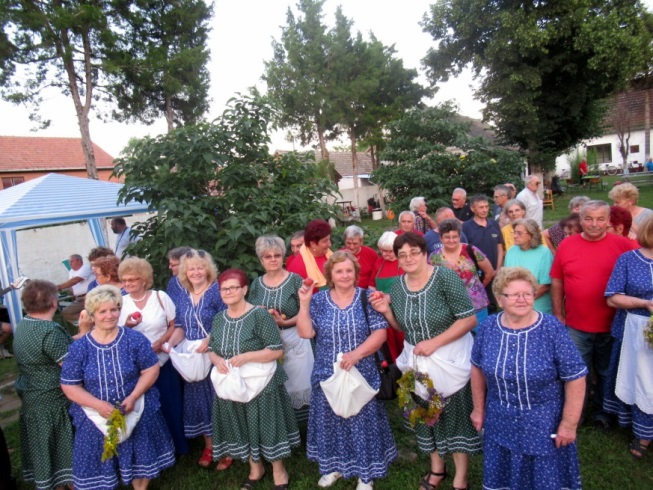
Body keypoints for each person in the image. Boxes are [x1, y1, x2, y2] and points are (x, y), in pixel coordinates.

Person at [371, 233, 481, 490]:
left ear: (424, 253)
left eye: (414, 252)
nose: (408, 258)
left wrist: (435, 343)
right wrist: (386, 312)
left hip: (450, 359)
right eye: (402, 255)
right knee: (424, 416)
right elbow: (401, 326)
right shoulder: (397, 286)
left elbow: (468, 319)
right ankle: (437, 468)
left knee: (455, 419)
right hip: (417, 361)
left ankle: (460, 477)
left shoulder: (445, 277)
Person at [471, 267, 587, 489]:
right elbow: (476, 367)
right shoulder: (488, 328)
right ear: (500, 299)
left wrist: (569, 423)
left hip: (543, 422)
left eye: (528, 293)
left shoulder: (552, 328)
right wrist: (478, 408)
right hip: (500, 419)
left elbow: (575, 376)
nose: (522, 299)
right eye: (514, 295)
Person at [297, 251, 397, 490]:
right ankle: (334, 467)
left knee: (362, 423)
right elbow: (305, 333)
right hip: (327, 372)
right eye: (339, 271)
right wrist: (304, 303)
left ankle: (365, 474)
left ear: (356, 273)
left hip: (362, 371)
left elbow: (380, 333)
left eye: (349, 270)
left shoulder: (368, 297)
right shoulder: (319, 301)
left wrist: (356, 354)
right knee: (331, 421)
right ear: (330, 274)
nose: (344, 275)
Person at [61, 285, 175, 490]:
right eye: (103, 311)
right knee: (95, 460)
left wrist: (133, 397)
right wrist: (98, 405)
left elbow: (150, 370)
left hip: (135, 407)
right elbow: (70, 385)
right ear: (92, 314)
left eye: (114, 309)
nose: (110, 315)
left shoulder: (134, 339)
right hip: (93, 414)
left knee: (140, 454)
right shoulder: (80, 347)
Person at [210, 269, 299, 490]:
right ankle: (255, 468)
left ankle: (279, 471)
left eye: (233, 287)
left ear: (245, 290)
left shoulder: (259, 315)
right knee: (241, 424)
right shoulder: (219, 318)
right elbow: (212, 348)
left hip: (262, 381)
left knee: (268, 425)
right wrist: (217, 359)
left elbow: (276, 350)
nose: (228, 292)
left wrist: (248, 356)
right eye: (224, 289)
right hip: (232, 383)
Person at [551, 200, 636, 429]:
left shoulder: (624, 245)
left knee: (608, 371)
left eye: (600, 219)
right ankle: (575, 416)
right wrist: (558, 313)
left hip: (614, 323)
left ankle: (604, 413)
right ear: (581, 220)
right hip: (577, 324)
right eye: (589, 218)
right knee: (577, 373)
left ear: (609, 221)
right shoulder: (567, 245)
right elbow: (557, 281)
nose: (594, 224)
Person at [163, 249, 229, 469]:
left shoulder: (217, 290)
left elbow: (226, 320)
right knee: (199, 403)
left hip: (216, 352)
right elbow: (181, 326)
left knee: (219, 400)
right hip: (192, 357)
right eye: (191, 268)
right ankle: (209, 445)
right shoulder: (182, 294)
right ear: (184, 271)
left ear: (208, 268)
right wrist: (170, 344)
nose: (196, 272)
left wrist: (210, 340)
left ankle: (227, 447)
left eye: (200, 267)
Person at [118, 257, 188, 455]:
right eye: (124, 280)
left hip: (163, 360)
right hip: (137, 366)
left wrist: (162, 341)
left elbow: (173, 324)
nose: (128, 283)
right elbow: (117, 333)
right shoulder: (121, 303)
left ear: (144, 279)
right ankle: (154, 450)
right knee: (147, 408)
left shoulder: (160, 297)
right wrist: (128, 326)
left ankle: (178, 446)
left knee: (170, 403)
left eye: (132, 279)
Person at [14, 280, 74, 490]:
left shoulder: (23, 325)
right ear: (53, 302)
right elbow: (69, 367)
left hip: (32, 397)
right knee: (65, 451)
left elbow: (51, 350)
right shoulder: (49, 331)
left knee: (48, 450)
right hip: (53, 399)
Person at [604, 215, 653, 458]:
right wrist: (645, 303)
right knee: (642, 379)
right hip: (635, 332)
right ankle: (643, 433)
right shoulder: (629, 260)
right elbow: (612, 297)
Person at [248, 235, 313, 421]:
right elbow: (250, 313)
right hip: (269, 343)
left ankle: (308, 428)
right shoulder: (256, 284)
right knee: (277, 383)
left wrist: (284, 322)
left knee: (300, 383)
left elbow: (306, 311)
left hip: (295, 337)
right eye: (268, 256)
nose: (273, 259)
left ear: (283, 257)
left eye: (277, 255)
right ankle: (286, 428)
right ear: (261, 260)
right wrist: (260, 314)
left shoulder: (295, 280)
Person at [430, 219, 493, 327]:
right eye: (447, 237)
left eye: (454, 237)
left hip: (477, 305)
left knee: (480, 337)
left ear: (460, 236)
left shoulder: (471, 250)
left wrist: (477, 288)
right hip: (450, 309)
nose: (451, 240)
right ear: (440, 238)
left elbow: (489, 272)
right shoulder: (434, 257)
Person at [463, 194, 504, 310]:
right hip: (477, 275)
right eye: (481, 207)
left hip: (495, 273)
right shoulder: (466, 227)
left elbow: (500, 247)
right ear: (472, 209)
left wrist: (498, 268)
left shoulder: (494, 224)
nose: (485, 210)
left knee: (493, 304)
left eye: (486, 206)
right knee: (477, 306)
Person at [504, 219, 554, 313]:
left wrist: (522, 302)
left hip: (537, 309)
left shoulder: (544, 253)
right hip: (514, 308)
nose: (514, 236)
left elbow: (545, 285)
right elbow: (506, 280)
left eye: (519, 233)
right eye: (514, 232)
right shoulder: (511, 251)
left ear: (531, 235)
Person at [369, 231, 404, 362]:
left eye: (388, 251)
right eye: (382, 251)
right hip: (382, 311)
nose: (384, 254)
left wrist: (391, 297)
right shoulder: (379, 263)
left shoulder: (404, 262)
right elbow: (371, 285)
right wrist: (374, 296)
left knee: (402, 340)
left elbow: (411, 287)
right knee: (389, 345)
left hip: (401, 309)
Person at [287, 219, 333, 289]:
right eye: (325, 241)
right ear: (313, 244)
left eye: (329, 239)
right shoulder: (297, 266)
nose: (330, 244)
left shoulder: (330, 255)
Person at [58, 254, 95, 324]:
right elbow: (71, 284)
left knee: (68, 312)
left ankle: (93, 321)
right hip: (79, 298)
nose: (70, 263)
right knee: (66, 312)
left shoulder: (86, 268)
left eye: (71, 261)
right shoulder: (71, 271)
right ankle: (91, 321)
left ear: (79, 261)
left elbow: (76, 280)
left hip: (89, 297)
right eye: (69, 262)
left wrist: (59, 287)